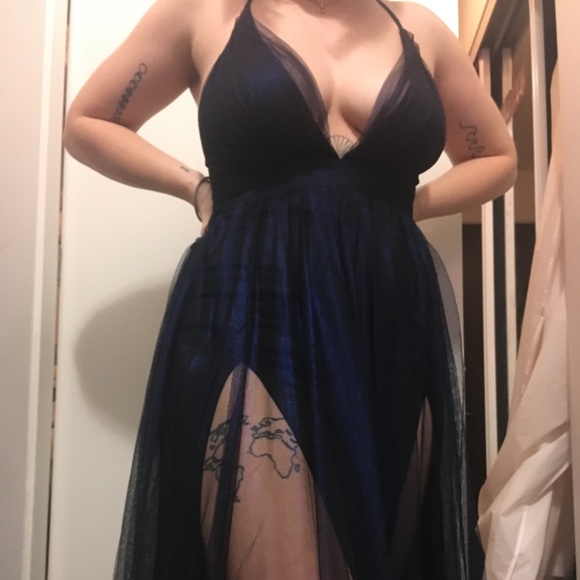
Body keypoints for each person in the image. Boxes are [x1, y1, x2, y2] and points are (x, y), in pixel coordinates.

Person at [64, 0, 517, 578]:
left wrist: (409, 207)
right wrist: (196, 188)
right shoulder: (203, 14)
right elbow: (89, 121)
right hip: (253, 307)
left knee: (387, 556)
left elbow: (497, 157)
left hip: (387, 317)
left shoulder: (421, 29)